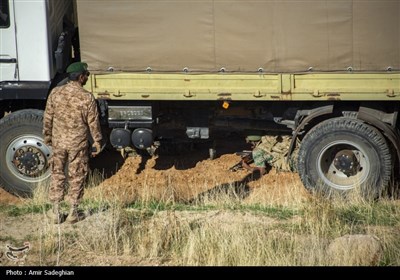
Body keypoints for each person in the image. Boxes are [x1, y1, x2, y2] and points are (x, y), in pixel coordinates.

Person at [43, 62, 103, 224]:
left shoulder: (55, 93)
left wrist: (48, 137)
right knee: (77, 174)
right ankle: (73, 212)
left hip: (59, 141)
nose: (87, 78)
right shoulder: (87, 97)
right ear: (80, 76)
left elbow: (48, 118)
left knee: (57, 172)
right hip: (78, 143)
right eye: (86, 75)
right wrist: (97, 141)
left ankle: (55, 211)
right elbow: (93, 123)